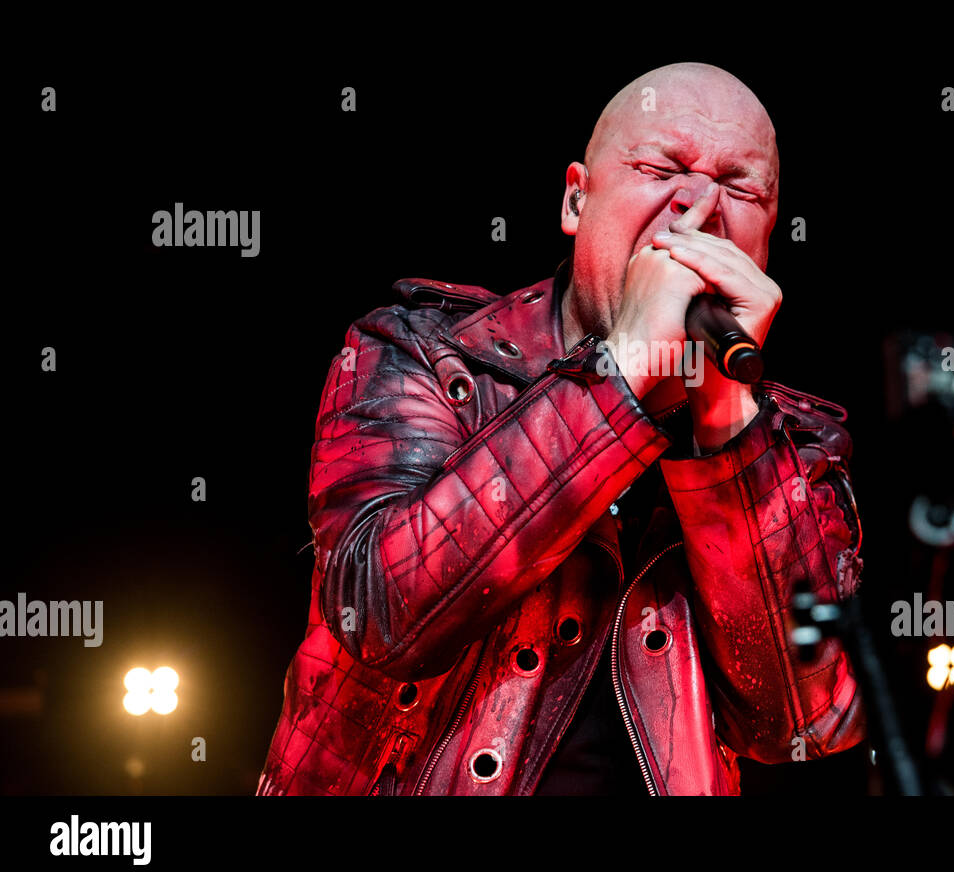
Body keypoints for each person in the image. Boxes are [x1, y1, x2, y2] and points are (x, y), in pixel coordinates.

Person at [256, 61, 867, 796]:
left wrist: (726, 425)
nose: (699, 210)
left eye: (741, 189)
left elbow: (803, 725)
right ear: (577, 198)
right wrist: (623, 374)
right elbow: (383, 613)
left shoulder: (792, 445)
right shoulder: (424, 353)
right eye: (662, 167)